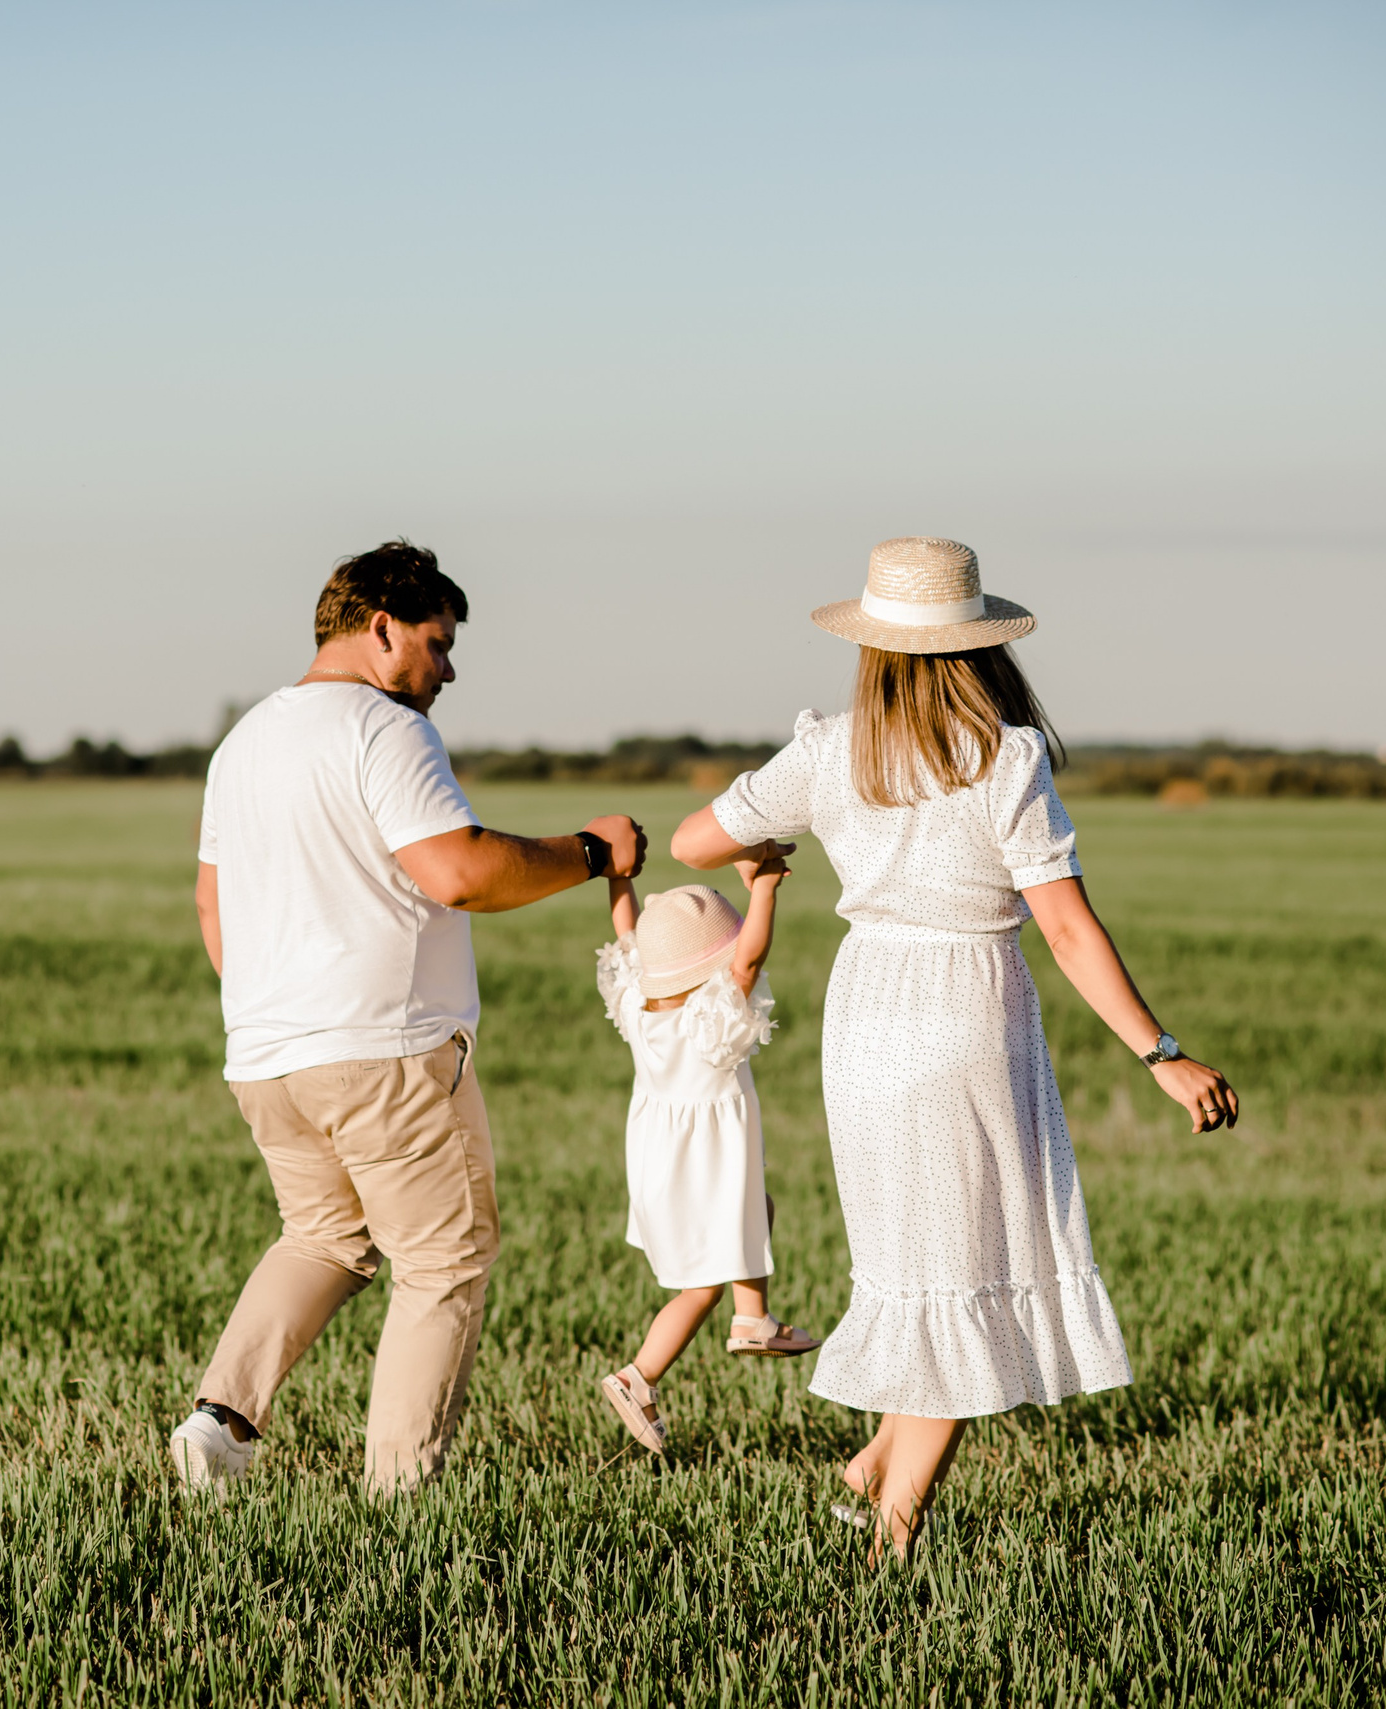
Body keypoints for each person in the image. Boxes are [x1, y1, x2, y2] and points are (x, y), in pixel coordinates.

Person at [670, 536, 1238, 1563]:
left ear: (871, 647)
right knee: (962, 1273)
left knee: (928, 1268)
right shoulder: (1003, 757)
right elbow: (1065, 929)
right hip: (966, 1010)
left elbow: (689, 841)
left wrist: (771, 849)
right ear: (978, 647)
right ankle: (889, 1539)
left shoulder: (831, 748)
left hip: (866, 1011)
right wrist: (1161, 1052)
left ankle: (867, 1471)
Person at [174, 539, 650, 1497]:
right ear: (380, 625)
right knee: (443, 1260)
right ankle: (402, 1498)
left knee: (323, 1239)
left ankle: (217, 1427)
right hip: (385, 1052)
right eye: (436, 643)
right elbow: (461, 870)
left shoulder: (245, 743)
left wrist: (282, 1009)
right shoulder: (384, 729)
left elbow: (210, 905)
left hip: (266, 1056)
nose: (449, 667)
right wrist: (591, 852)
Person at [591, 858, 822, 1456]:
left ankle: (754, 1318)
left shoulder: (639, 1006)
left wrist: (620, 878)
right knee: (700, 1290)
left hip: (659, 1166)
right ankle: (637, 1377)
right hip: (705, 1167)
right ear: (710, 972)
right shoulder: (712, 1024)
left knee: (755, 1214)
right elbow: (747, 960)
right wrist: (765, 886)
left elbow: (627, 938)